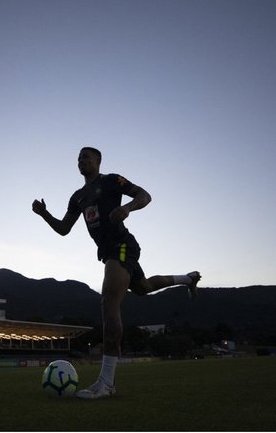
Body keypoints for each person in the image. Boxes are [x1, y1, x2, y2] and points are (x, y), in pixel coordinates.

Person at [32, 147, 201, 400]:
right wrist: (44, 214)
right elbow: (64, 229)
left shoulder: (112, 181)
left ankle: (106, 382)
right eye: (78, 158)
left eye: (86, 157)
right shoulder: (77, 197)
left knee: (108, 302)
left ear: (98, 161)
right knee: (142, 287)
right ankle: (187, 278)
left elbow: (144, 195)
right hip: (109, 251)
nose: (81, 161)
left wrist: (128, 208)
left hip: (121, 245)